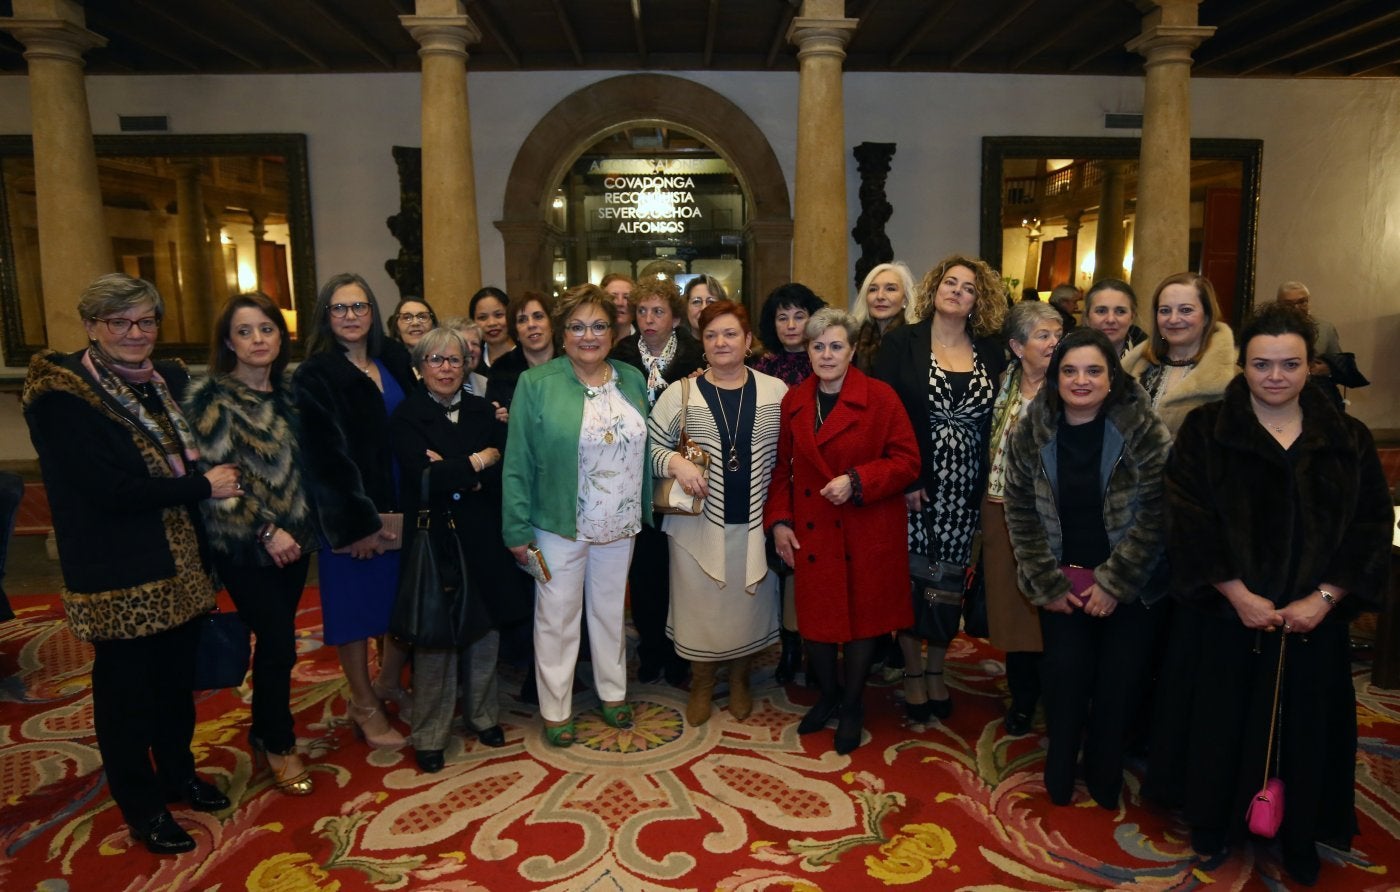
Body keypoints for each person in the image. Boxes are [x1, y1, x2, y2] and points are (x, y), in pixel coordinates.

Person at [1163, 303, 1390, 885]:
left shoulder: (1349, 438)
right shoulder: (1206, 431)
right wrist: (1239, 596)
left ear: (1310, 366)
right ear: (1242, 365)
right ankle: (1216, 822)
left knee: (1309, 729)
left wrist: (1326, 599)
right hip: (1230, 615)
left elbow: (1368, 528)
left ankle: (1300, 836)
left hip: (1316, 620)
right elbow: (1188, 521)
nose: (1275, 377)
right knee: (1221, 721)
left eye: (1289, 364)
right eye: (1261, 364)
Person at [23, 273, 238, 853]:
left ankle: (178, 774)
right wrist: (200, 487)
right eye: (119, 322)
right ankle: (142, 808)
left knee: (175, 685)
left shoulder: (164, 380)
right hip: (117, 570)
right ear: (91, 326)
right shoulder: (61, 396)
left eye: (145, 321)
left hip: (180, 564)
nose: (134, 333)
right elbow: (108, 490)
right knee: (125, 698)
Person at [1003, 328, 1171, 809]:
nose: (1081, 381)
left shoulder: (1142, 427)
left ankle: (1104, 766)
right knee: (1065, 677)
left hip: (1132, 585)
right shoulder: (1031, 429)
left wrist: (1115, 583)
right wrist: (1045, 580)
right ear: (1054, 377)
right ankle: (1060, 758)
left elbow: (1158, 512)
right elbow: (1019, 510)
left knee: (1119, 683)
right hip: (1062, 581)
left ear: (1112, 376)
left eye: (1094, 370)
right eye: (1070, 371)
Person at [501, 283, 651, 747]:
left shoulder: (632, 378)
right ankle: (556, 708)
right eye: (578, 327)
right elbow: (518, 460)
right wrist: (516, 528)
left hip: (620, 523)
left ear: (614, 330)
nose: (589, 335)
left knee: (610, 613)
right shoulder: (536, 384)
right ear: (563, 334)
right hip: (559, 523)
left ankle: (612, 691)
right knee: (558, 618)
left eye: (599, 326)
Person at [766, 308, 920, 754]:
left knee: (860, 624)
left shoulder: (881, 397)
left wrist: (857, 480)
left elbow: (908, 461)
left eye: (836, 345)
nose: (826, 354)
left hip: (865, 528)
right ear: (807, 351)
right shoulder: (794, 400)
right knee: (815, 624)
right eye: (818, 346)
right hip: (811, 531)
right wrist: (779, 522)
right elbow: (781, 471)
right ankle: (828, 696)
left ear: (852, 350)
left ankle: (852, 704)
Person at [184, 292, 317, 796]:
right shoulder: (210, 399)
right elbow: (216, 481)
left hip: (296, 542)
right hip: (244, 544)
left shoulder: (289, 393)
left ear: (280, 338)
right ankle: (279, 742)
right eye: (245, 331)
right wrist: (266, 530)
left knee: (278, 646)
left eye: (267, 329)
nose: (258, 340)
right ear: (228, 341)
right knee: (279, 639)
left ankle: (263, 728)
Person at [390, 327, 532, 771]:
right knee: (436, 638)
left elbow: (504, 468)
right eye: (436, 360)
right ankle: (430, 734)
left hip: (482, 534)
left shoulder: (483, 410)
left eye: (454, 360)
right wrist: (476, 461)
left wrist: (460, 470)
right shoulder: (405, 416)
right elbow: (422, 478)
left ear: (466, 365)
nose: (446, 368)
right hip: (434, 539)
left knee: (484, 632)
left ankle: (483, 715)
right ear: (420, 368)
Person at [874, 254, 1008, 722]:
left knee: (950, 581)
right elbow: (884, 416)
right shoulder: (901, 344)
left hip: (967, 487)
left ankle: (937, 669)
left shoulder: (991, 351)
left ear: (978, 300)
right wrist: (908, 477)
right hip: (915, 485)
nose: (956, 291)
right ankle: (913, 672)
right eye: (949, 282)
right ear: (934, 289)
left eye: (967, 287)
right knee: (911, 581)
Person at [649, 300, 787, 726]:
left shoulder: (775, 392)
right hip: (696, 528)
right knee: (701, 609)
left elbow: (790, 459)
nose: (721, 342)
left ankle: (742, 679)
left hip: (754, 523)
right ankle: (703, 683)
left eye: (730, 334)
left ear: (748, 341)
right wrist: (678, 464)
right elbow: (649, 449)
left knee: (747, 607)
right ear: (702, 345)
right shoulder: (680, 393)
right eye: (711, 336)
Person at [293, 272, 414, 749]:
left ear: (372, 313)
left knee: (399, 605)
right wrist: (356, 526)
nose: (350, 316)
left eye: (359, 307)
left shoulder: (394, 359)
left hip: (401, 502)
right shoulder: (316, 374)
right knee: (355, 612)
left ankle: (386, 683)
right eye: (340, 308)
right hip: (350, 508)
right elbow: (323, 457)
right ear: (326, 315)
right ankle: (364, 703)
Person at [610, 276, 705, 685]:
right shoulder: (621, 354)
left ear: (675, 317)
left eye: (658, 312)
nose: (648, 320)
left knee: (682, 568)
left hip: (683, 473)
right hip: (634, 476)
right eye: (642, 311)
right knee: (645, 570)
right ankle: (651, 651)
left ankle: (680, 654)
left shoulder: (694, 354)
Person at [982, 301, 1063, 736]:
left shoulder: (1067, 387)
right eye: (1043, 335)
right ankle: (1023, 697)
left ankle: (1056, 697)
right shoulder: (1001, 384)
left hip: (1049, 519)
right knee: (1013, 611)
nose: (1054, 343)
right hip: (998, 511)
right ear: (1016, 346)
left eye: (1057, 334)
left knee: (1049, 607)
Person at [1122, 272, 1237, 436]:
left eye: (1186, 310)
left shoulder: (1232, 377)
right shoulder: (1133, 368)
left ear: (1206, 316)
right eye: (1165, 311)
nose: (1174, 319)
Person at [486, 290, 555, 407]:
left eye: (538, 316)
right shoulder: (500, 370)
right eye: (522, 320)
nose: (531, 325)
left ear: (552, 324)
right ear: (516, 332)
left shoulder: (571, 363)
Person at [751, 282, 826, 387]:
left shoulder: (825, 363)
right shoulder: (763, 368)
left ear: (813, 318)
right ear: (773, 324)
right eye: (783, 318)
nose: (791, 325)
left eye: (799, 317)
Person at [850, 261, 919, 375]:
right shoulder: (854, 338)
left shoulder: (916, 340)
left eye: (890, 289)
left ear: (905, 299)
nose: (880, 296)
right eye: (873, 289)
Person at [1081, 278, 1146, 357]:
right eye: (1101, 311)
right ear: (1087, 316)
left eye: (1120, 311)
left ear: (1132, 317)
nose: (1110, 320)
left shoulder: (1153, 361)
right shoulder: (1065, 357)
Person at [440, 316, 492, 399]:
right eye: (463, 343)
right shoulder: (435, 384)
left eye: (475, 344)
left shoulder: (485, 384)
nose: (470, 349)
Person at [470, 286, 515, 369]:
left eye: (498, 315)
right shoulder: (471, 359)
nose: (491, 323)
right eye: (482, 317)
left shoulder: (527, 356)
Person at [601, 273, 635, 339]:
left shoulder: (648, 341)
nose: (620, 303)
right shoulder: (592, 341)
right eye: (613, 297)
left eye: (626, 297)